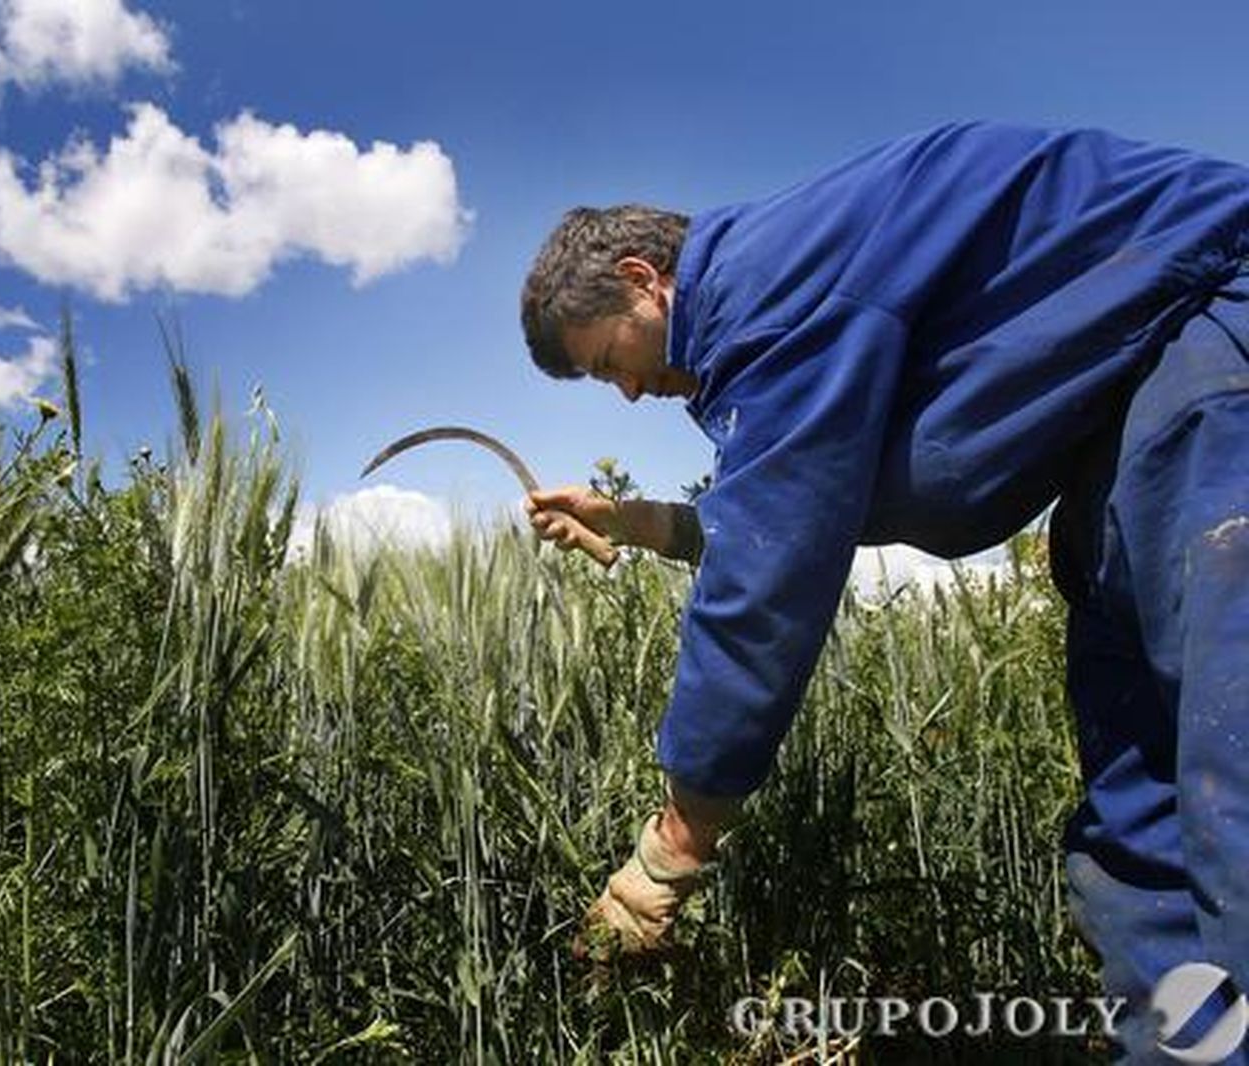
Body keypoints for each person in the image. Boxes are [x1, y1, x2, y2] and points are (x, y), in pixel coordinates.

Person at [519, 121, 1249, 1059]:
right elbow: (805, 507)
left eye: (608, 361)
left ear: (640, 277)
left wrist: (674, 846)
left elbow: (768, 578)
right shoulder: (784, 311)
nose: (625, 393)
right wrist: (645, 522)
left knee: (1228, 769)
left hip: (1215, 337)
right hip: (1126, 420)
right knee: (1140, 829)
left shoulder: (766, 289)